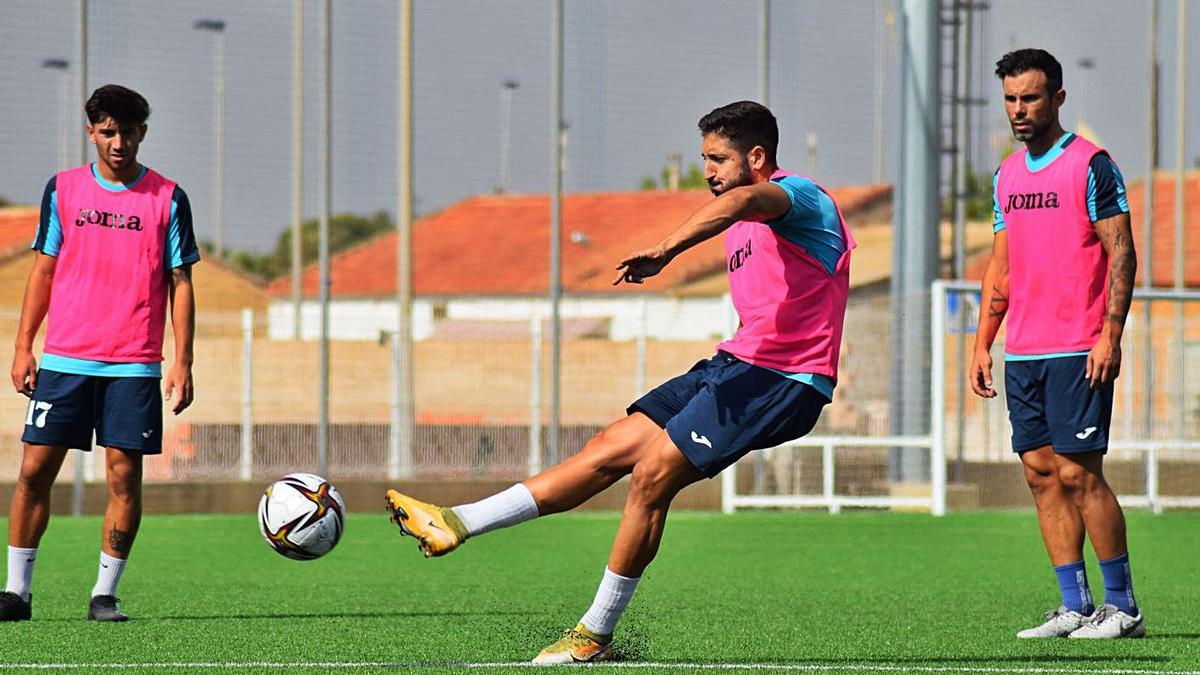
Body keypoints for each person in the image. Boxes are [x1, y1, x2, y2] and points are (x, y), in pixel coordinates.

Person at [385, 100, 855, 663]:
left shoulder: (798, 196)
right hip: (733, 365)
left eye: (717, 158)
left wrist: (664, 250)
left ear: (756, 156)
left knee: (652, 476)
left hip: (783, 380)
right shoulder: (739, 222)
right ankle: (456, 522)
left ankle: (593, 636)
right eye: (704, 158)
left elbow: (748, 199)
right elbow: (738, 211)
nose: (707, 170)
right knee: (609, 448)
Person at [0, 84, 199, 623]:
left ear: (143, 134)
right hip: (65, 358)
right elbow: (42, 270)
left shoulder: (167, 198)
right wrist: (23, 347)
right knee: (34, 471)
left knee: (122, 477)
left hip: (133, 364)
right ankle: (16, 592)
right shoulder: (63, 190)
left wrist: (181, 360)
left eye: (128, 132)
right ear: (92, 131)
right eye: (108, 132)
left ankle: (104, 595)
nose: (118, 142)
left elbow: (180, 281)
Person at [971, 49, 1141, 639]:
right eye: (1012, 99)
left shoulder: (1092, 165)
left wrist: (1110, 335)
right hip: (1025, 351)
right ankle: (1074, 605)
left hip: (1079, 347)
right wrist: (982, 343)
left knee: (1078, 474)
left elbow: (1122, 251)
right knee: (1041, 475)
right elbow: (1002, 268)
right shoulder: (1006, 176)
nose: (1020, 109)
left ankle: (1122, 608)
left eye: (1032, 98)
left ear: (1058, 99)